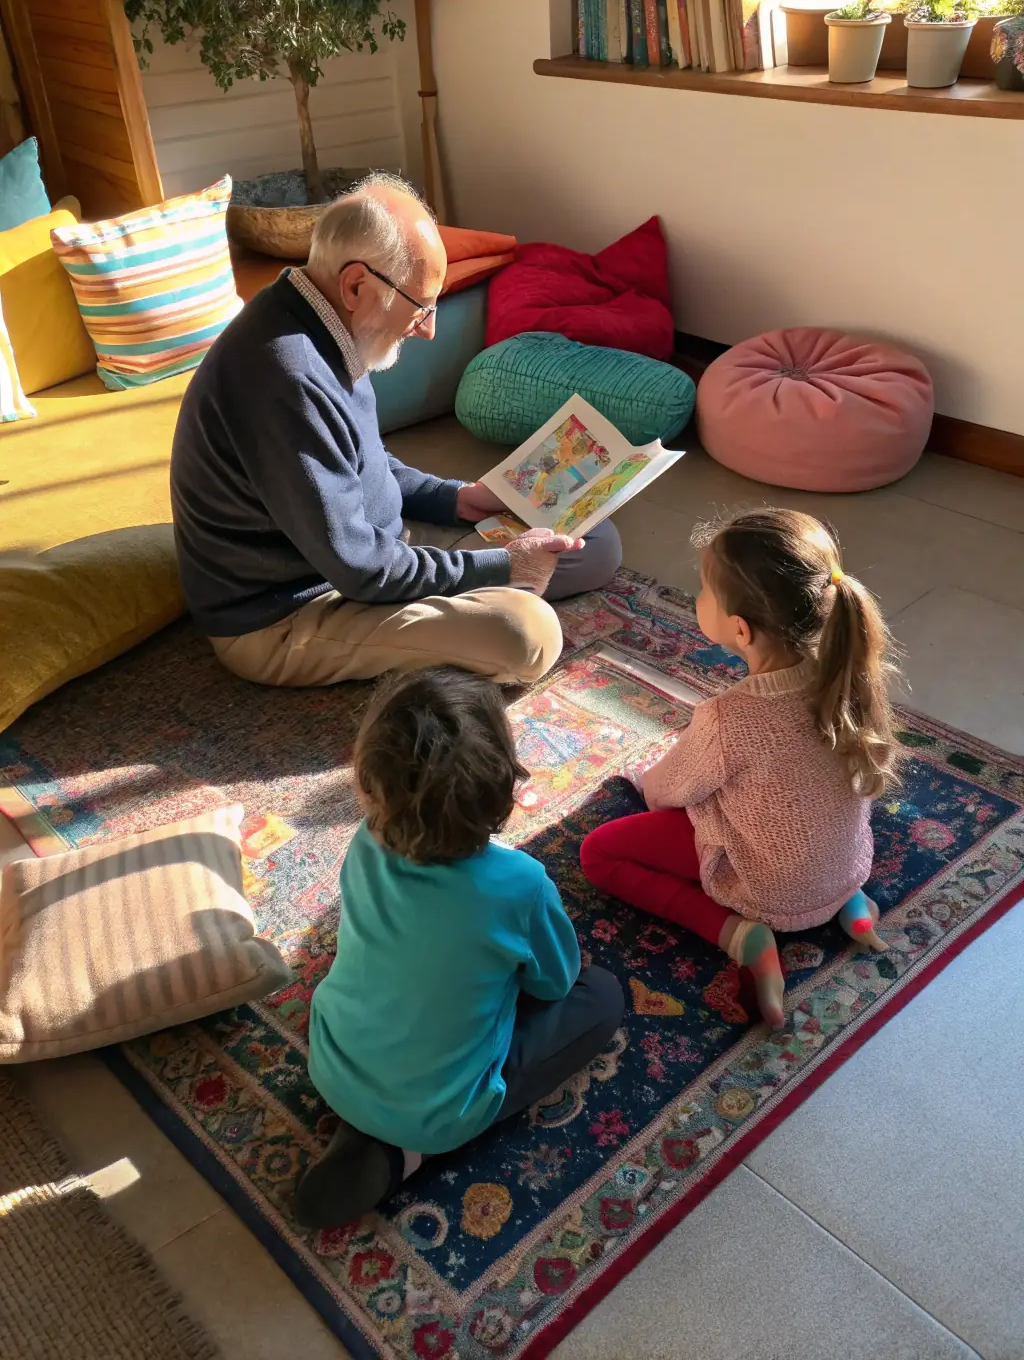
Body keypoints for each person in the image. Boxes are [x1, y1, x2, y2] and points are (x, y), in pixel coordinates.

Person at [170, 172, 621, 689]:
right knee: (527, 634)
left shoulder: (322, 318)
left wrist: (457, 500)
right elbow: (358, 567)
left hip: (367, 552)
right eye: (422, 306)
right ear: (357, 284)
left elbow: (366, 462)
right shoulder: (284, 377)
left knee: (591, 540)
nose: (428, 327)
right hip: (289, 613)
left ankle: (486, 580)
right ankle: (488, 598)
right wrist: (500, 568)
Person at [294, 666, 624, 1228]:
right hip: (440, 1109)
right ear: (503, 786)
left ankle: (368, 1115)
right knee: (602, 996)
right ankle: (400, 1154)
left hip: (331, 1057)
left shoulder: (364, 843)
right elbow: (555, 982)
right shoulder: (521, 883)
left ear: (370, 782)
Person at [579, 508, 899, 1030]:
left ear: (741, 630)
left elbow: (664, 793)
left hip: (763, 890)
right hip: (846, 865)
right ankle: (847, 901)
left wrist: (645, 782)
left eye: (704, 590)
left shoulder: (731, 718)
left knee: (599, 853)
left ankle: (739, 935)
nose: (697, 597)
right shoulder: (852, 675)